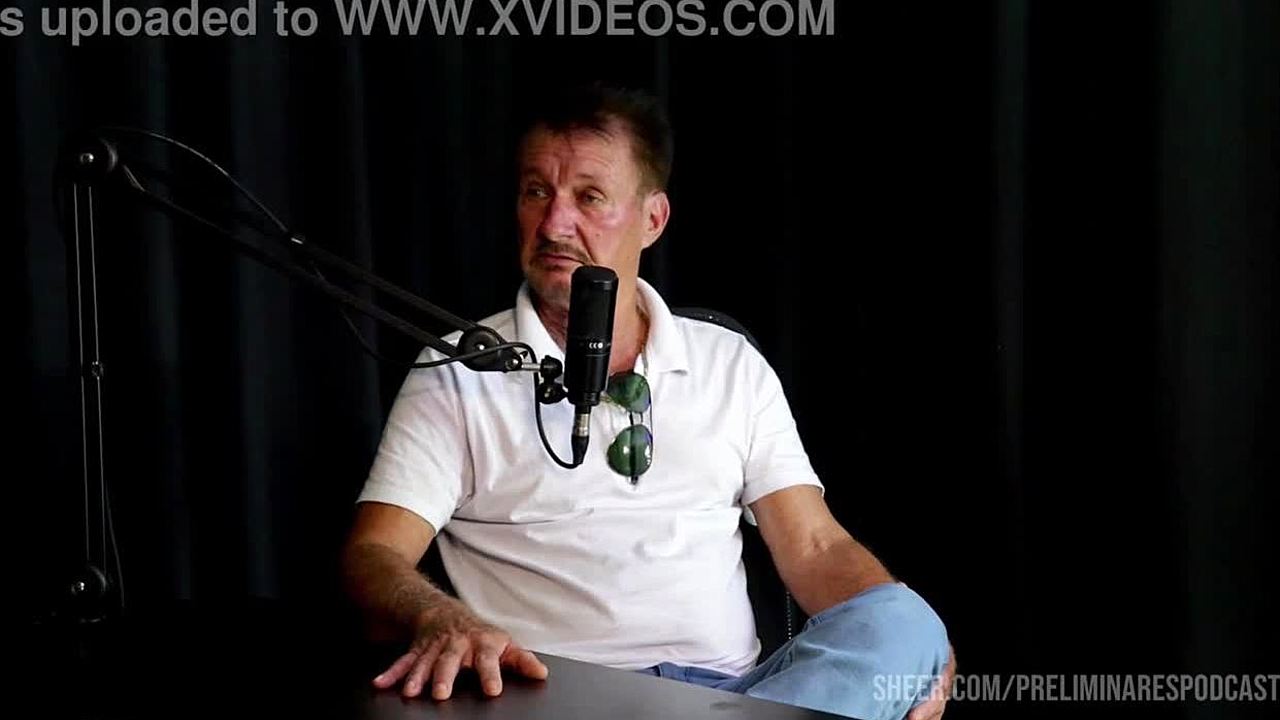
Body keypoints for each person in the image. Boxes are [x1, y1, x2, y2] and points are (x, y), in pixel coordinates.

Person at [341, 83, 955, 720]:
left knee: (906, 622)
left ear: (653, 220)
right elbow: (372, 553)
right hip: (562, 697)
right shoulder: (460, 368)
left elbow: (817, 548)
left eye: (589, 197)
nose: (554, 224)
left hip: (735, 698)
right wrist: (442, 616)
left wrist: (916, 650)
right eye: (536, 192)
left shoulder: (729, 362)